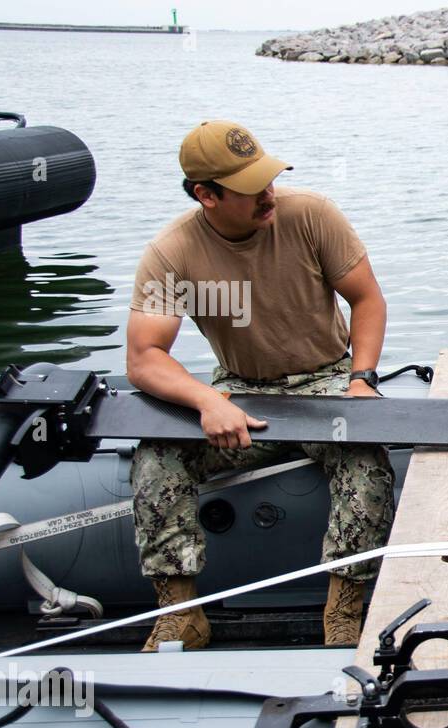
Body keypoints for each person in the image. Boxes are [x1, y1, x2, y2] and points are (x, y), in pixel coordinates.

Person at [126, 120, 395, 650]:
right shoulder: (172, 251)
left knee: (366, 459)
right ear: (207, 195)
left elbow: (366, 299)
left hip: (328, 379)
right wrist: (208, 400)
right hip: (242, 389)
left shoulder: (311, 214)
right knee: (157, 455)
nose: (268, 194)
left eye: (269, 179)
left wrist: (361, 379)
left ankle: (343, 610)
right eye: (251, 189)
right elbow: (143, 357)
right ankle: (181, 612)